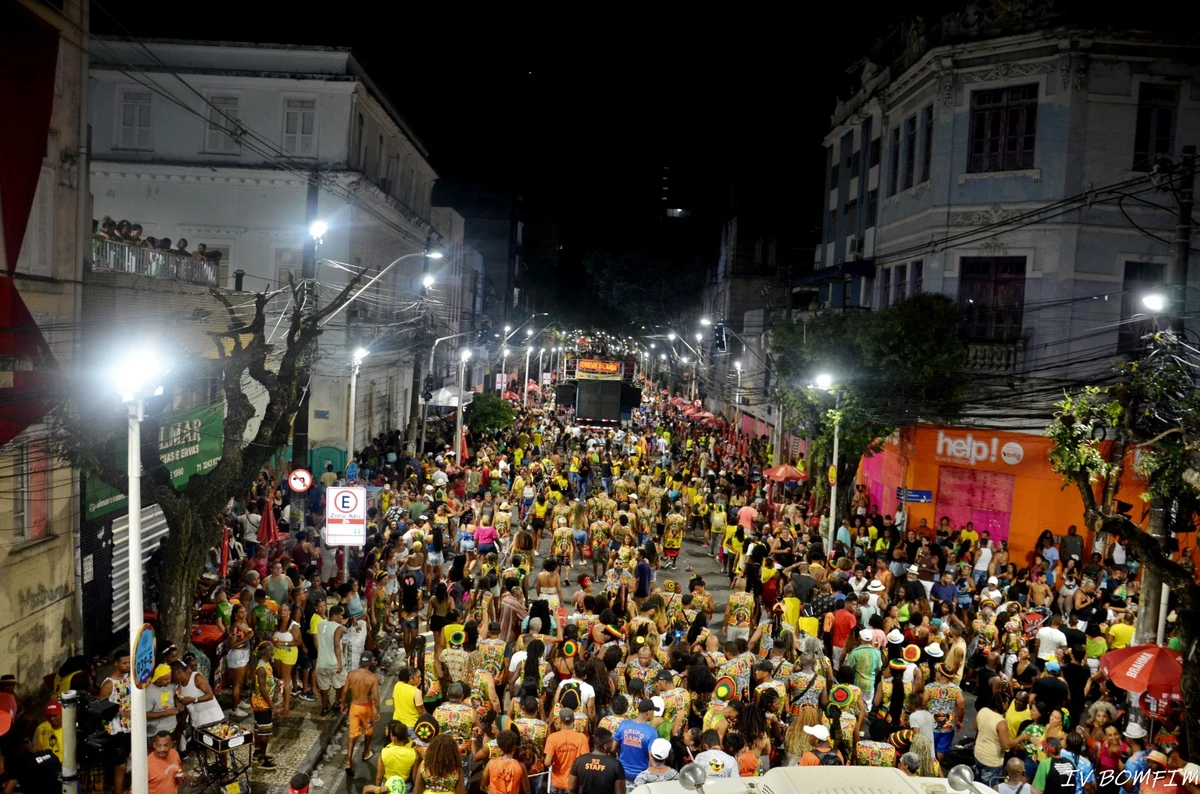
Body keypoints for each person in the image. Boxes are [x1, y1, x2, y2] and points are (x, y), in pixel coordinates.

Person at [98, 650, 133, 794]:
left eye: (129, 662)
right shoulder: (108, 685)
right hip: (115, 731)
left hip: (130, 728)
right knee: (120, 767)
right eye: (124, 663)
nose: (127, 666)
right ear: (116, 663)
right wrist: (123, 713)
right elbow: (101, 709)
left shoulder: (130, 678)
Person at [344, 653, 381, 769]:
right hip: (366, 707)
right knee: (368, 730)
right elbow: (375, 696)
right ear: (370, 663)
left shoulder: (351, 674)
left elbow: (345, 691)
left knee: (352, 735)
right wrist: (378, 711)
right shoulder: (373, 677)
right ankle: (365, 752)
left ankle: (349, 761)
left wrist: (342, 704)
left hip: (354, 706)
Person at [544, 708, 590, 794]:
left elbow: (547, 762)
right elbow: (585, 761)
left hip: (557, 782)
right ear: (573, 720)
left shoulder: (552, 737)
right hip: (574, 782)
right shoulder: (582, 737)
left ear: (560, 721)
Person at [568, 728, 626, 794]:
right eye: (612, 742)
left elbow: (571, 788)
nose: (613, 744)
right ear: (605, 746)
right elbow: (620, 792)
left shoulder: (579, 760)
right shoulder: (616, 765)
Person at [615, 698, 660, 784]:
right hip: (640, 776)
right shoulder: (652, 732)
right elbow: (652, 760)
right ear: (647, 713)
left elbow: (613, 747)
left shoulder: (624, 724)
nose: (654, 713)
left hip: (622, 773)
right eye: (653, 711)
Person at [251, 641, 279, 769]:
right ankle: (262, 757)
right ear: (267, 652)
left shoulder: (266, 664)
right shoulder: (261, 669)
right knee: (265, 732)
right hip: (262, 704)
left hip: (260, 702)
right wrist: (272, 706)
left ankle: (257, 753)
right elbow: (263, 690)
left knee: (258, 728)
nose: (274, 652)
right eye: (272, 650)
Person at [316, 605, 348, 715]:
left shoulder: (320, 624)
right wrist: (339, 663)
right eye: (340, 615)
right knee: (339, 683)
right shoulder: (338, 628)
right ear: (334, 615)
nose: (342, 618)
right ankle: (337, 701)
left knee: (323, 686)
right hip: (333, 662)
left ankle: (324, 707)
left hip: (321, 662)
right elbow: (336, 646)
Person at [483, 730, 530, 794]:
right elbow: (527, 790)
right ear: (514, 747)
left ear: (500, 747)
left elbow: (483, 784)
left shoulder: (491, 763)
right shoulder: (521, 766)